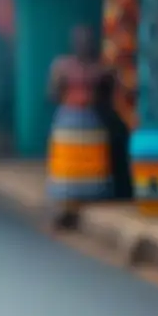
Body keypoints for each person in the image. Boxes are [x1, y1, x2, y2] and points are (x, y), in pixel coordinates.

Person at [47, 25, 113, 207]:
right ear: (73, 43)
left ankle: (88, 200)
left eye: (87, 41)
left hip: (91, 119)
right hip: (70, 118)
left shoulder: (100, 68)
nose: (84, 44)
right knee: (69, 165)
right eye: (80, 40)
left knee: (91, 163)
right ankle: (68, 204)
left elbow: (108, 93)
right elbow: (52, 93)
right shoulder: (62, 66)